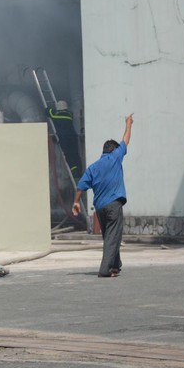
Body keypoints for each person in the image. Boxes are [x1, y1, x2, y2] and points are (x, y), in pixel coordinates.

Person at [72, 114, 133, 277]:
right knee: (113, 237)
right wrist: (128, 124)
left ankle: (115, 266)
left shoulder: (93, 167)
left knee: (110, 237)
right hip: (113, 204)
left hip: (100, 208)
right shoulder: (115, 157)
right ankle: (105, 270)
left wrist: (76, 202)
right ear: (114, 150)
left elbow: (81, 186)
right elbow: (125, 140)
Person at [47, 100, 81, 176]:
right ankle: (79, 171)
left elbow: (47, 111)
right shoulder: (70, 114)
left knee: (68, 154)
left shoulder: (55, 114)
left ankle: (74, 170)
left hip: (64, 137)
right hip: (73, 136)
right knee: (75, 153)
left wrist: (50, 108)